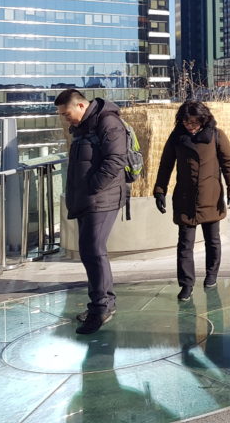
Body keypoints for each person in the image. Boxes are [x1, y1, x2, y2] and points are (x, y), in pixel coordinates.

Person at [55, 88, 129, 334]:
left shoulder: (108, 122)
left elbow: (116, 160)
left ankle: (100, 309)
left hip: (102, 199)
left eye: (66, 114)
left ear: (81, 106)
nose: (66, 119)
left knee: (93, 251)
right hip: (88, 200)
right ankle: (103, 303)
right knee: (92, 253)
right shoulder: (84, 127)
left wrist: (92, 188)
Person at [154, 101, 230, 299]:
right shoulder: (177, 137)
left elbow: (228, 164)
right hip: (185, 197)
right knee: (185, 244)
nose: (190, 126)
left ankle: (211, 274)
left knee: (213, 240)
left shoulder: (216, 135)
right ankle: (186, 284)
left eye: (195, 122)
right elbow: (165, 164)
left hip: (211, 195)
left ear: (203, 120)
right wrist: (160, 190)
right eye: (186, 121)